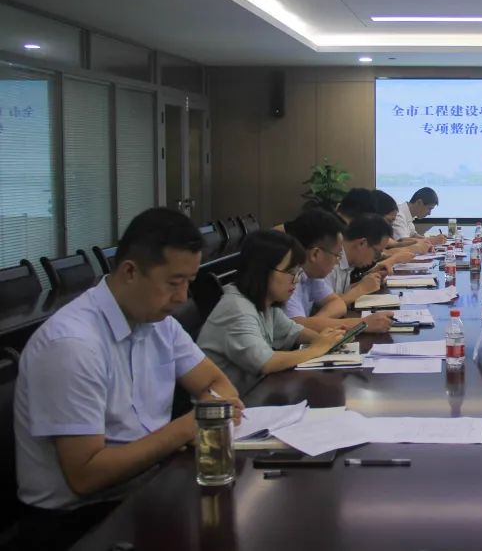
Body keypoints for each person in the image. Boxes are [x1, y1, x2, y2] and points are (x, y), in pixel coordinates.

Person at [13, 208, 244, 548]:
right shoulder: (72, 345)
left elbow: (217, 384)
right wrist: (187, 427)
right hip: (78, 523)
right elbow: (85, 476)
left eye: (189, 282)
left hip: (145, 487)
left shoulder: (159, 323)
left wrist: (207, 414)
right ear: (130, 272)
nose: (183, 297)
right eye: (174, 283)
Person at [197, 230, 353, 394]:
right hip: (225, 405)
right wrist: (315, 349)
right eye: (290, 272)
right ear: (262, 270)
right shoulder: (236, 309)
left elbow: (294, 332)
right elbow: (266, 362)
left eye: (297, 273)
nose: (296, 280)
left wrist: (325, 339)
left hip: (250, 394)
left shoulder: (264, 304)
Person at [282, 209, 391, 333]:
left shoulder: (311, 274)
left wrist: (314, 322)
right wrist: (362, 324)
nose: (337, 261)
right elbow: (297, 326)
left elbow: (338, 303)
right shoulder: (288, 277)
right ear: (315, 254)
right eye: (337, 254)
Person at [330, 214, 397, 304]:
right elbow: (327, 307)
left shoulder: (348, 261)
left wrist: (368, 282)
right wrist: (361, 289)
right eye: (377, 253)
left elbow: (340, 293)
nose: (374, 260)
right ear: (362, 243)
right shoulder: (329, 261)